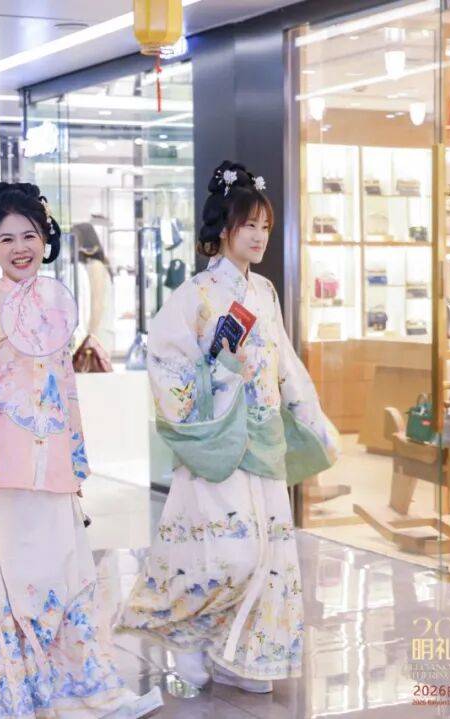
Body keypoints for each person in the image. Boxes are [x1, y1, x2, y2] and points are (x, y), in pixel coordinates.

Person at [0, 182, 162, 719]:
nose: (19, 247)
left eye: (29, 235)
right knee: (8, 577)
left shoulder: (56, 305)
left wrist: (74, 457)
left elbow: (64, 389)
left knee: (58, 573)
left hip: (48, 464)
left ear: (45, 239)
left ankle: (79, 683)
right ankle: (10, 687)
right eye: (6, 238)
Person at [118, 161, 340, 692]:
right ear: (224, 229)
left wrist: (310, 416)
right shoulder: (194, 294)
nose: (259, 236)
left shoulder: (264, 291)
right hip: (216, 441)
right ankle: (192, 639)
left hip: (262, 439)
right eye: (249, 225)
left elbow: (284, 361)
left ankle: (239, 655)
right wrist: (217, 372)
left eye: (265, 226)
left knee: (268, 553)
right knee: (227, 554)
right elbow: (166, 363)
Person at [73, 222, 116, 356]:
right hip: (100, 329)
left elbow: (97, 304)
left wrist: (90, 336)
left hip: (99, 330)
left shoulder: (95, 266)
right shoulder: (95, 265)